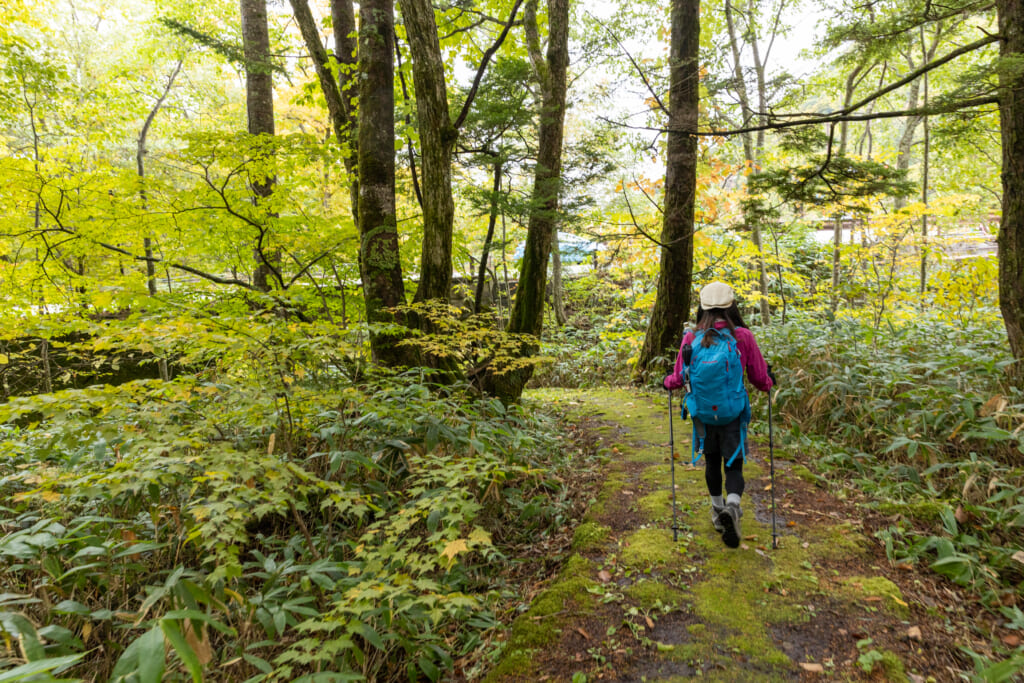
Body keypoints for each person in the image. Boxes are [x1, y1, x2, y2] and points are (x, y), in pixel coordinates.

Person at [663, 281, 774, 549]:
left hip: (702, 414)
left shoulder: (691, 339)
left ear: (702, 307)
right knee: (733, 466)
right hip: (732, 414)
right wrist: (769, 381)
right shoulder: (743, 337)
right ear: (731, 306)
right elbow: (759, 378)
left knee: (712, 463)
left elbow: (678, 378)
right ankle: (733, 506)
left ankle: (717, 511)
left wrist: (667, 382)